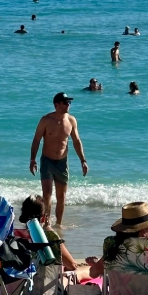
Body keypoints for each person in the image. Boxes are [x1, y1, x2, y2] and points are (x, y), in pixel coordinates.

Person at [29, 93, 88, 226]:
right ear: (57, 105)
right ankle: (47, 223)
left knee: (61, 196)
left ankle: (59, 224)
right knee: (47, 194)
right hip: (47, 161)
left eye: (69, 102)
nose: (68, 105)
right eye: (66, 102)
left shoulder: (71, 120)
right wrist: (32, 159)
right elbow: (36, 139)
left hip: (62, 162)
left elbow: (76, 141)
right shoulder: (46, 120)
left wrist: (83, 160)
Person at [85, 201, 148, 278]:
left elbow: (92, 273)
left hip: (119, 287)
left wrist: (102, 264)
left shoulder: (113, 248)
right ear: (143, 231)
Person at [14, 194, 78, 272]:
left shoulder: (15, 235)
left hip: (20, 278)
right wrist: (49, 228)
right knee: (82, 271)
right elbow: (72, 266)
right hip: (46, 279)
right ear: (44, 218)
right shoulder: (49, 236)